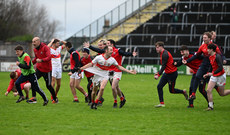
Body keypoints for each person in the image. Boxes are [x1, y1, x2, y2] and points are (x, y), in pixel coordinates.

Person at [84, 39, 137, 108]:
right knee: (116, 87)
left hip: (117, 71)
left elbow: (124, 53)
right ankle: (122, 98)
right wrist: (90, 47)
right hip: (110, 71)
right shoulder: (107, 51)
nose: (106, 44)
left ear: (112, 44)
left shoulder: (117, 50)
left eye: (108, 43)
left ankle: (114, 101)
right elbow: (98, 50)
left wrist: (131, 54)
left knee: (113, 87)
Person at [182, 32, 224, 101]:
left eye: (205, 37)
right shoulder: (202, 46)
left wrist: (223, 60)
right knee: (197, 76)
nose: (203, 39)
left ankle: (218, 89)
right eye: (203, 37)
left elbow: (220, 55)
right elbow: (196, 55)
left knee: (210, 82)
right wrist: (188, 61)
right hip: (204, 65)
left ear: (210, 39)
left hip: (211, 66)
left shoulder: (214, 46)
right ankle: (193, 94)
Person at [154, 41, 188, 108]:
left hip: (172, 74)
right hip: (167, 73)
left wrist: (158, 75)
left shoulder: (165, 54)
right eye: (156, 47)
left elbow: (163, 66)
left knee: (172, 91)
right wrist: (159, 73)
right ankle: (162, 103)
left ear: (161, 47)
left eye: (157, 47)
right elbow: (164, 66)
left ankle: (183, 92)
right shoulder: (162, 53)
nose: (156, 49)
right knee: (159, 87)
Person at [27, 37, 58, 104]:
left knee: (49, 86)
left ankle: (55, 99)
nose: (33, 43)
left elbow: (49, 57)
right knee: (33, 81)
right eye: (32, 42)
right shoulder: (35, 49)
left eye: (34, 42)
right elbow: (36, 58)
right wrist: (30, 65)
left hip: (47, 70)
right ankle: (34, 98)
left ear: (38, 41)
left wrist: (41, 60)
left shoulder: (45, 47)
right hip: (39, 69)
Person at [203, 44, 230, 111]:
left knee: (222, 93)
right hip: (214, 76)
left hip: (221, 76)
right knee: (208, 90)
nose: (207, 50)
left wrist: (212, 73)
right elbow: (211, 66)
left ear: (211, 49)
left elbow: (220, 67)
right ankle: (210, 107)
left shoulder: (217, 56)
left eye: (208, 49)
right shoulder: (210, 57)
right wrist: (207, 73)